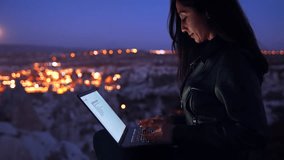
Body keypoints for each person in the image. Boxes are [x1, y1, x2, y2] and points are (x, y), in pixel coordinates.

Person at [93, 0, 269, 159]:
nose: (183, 28)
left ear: (207, 11)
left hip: (204, 153)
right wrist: (170, 122)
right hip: (193, 148)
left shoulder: (232, 62)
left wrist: (174, 133)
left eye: (184, 17)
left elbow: (251, 133)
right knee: (106, 139)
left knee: (109, 144)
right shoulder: (207, 58)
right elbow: (209, 117)